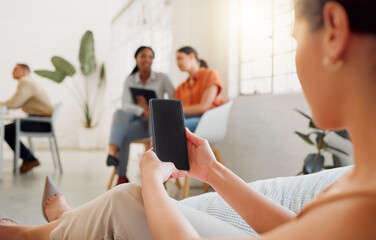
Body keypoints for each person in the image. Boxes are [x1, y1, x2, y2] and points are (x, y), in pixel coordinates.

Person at [1, 0, 376, 238]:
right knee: (125, 173)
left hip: (201, 124)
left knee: (128, 198)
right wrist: (212, 172)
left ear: (333, 30)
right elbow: (297, 230)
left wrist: (151, 182)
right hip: (175, 132)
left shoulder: (362, 208)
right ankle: (59, 222)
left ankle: (39, 233)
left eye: (295, 39)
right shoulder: (360, 185)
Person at [106, 46, 175, 185]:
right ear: (136, 59)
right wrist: (142, 110)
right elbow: (126, 105)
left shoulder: (162, 78)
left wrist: (151, 108)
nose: (147, 59)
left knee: (151, 122)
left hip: (154, 122)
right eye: (143, 56)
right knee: (120, 114)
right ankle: (121, 174)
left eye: (150, 56)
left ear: (153, 59)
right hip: (137, 121)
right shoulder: (130, 79)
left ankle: (159, 177)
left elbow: (174, 100)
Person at [0, 64, 54, 173]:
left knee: (5, 130)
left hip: (40, 122)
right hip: (39, 120)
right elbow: (16, 102)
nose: (12, 72)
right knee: (8, 128)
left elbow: (14, 103)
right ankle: (28, 158)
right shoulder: (28, 81)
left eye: (15, 69)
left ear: (25, 71)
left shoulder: (26, 82)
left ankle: (30, 159)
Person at [175, 46, 224, 132]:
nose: (177, 63)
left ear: (191, 56)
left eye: (180, 58)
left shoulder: (211, 74)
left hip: (206, 118)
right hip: (186, 118)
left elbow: (204, 107)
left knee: (175, 125)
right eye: (176, 60)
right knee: (160, 121)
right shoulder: (181, 87)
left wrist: (176, 110)